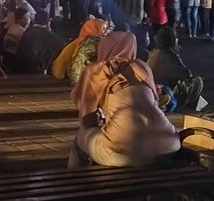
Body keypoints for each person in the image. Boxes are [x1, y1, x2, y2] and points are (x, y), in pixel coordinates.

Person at [68, 31, 180, 168]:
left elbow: (87, 120)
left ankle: (77, 183)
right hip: (168, 146)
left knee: (82, 137)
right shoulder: (142, 68)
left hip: (125, 152)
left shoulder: (98, 71)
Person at [147, 26, 204, 108]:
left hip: (152, 91)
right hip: (163, 93)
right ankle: (198, 107)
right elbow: (186, 75)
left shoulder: (154, 53)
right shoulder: (169, 54)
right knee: (197, 81)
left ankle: (199, 106)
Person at [52, 18, 109, 82]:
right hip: (86, 78)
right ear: (96, 28)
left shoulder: (80, 40)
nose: (106, 32)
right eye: (103, 29)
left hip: (76, 75)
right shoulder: (94, 41)